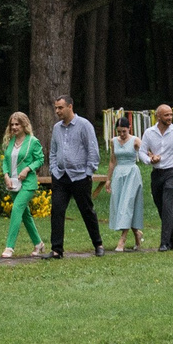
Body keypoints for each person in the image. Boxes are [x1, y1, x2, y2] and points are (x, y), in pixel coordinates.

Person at [45, 97, 105, 258]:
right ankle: (57, 250)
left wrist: (88, 172)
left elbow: (93, 150)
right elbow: (53, 150)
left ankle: (98, 244)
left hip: (80, 176)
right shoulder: (57, 128)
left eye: (60, 108)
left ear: (70, 107)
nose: (57, 111)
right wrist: (53, 169)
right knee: (57, 210)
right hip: (61, 176)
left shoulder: (84, 125)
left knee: (86, 210)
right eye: (56, 108)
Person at [0, 111, 46, 258]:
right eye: (12, 124)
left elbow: (40, 159)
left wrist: (27, 169)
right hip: (12, 183)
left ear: (23, 125)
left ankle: (9, 247)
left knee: (17, 209)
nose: (14, 127)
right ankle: (39, 244)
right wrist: (6, 175)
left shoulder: (32, 141)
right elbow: (5, 161)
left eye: (17, 124)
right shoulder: (10, 141)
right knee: (25, 215)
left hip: (27, 183)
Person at [145, 104, 173, 249]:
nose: (170, 117)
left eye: (171, 115)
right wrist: (150, 160)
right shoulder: (149, 132)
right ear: (158, 116)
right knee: (160, 206)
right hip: (157, 173)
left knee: (168, 205)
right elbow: (141, 152)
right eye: (166, 115)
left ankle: (165, 243)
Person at [102, 115, 149, 250]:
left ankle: (122, 240)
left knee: (127, 204)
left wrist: (152, 157)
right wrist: (108, 179)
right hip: (119, 174)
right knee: (120, 205)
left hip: (132, 174)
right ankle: (137, 234)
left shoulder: (135, 141)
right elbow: (112, 160)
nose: (122, 134)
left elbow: (146, 152)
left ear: (129, 129)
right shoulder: (114, 141)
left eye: (124, 131)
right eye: (119, 132)